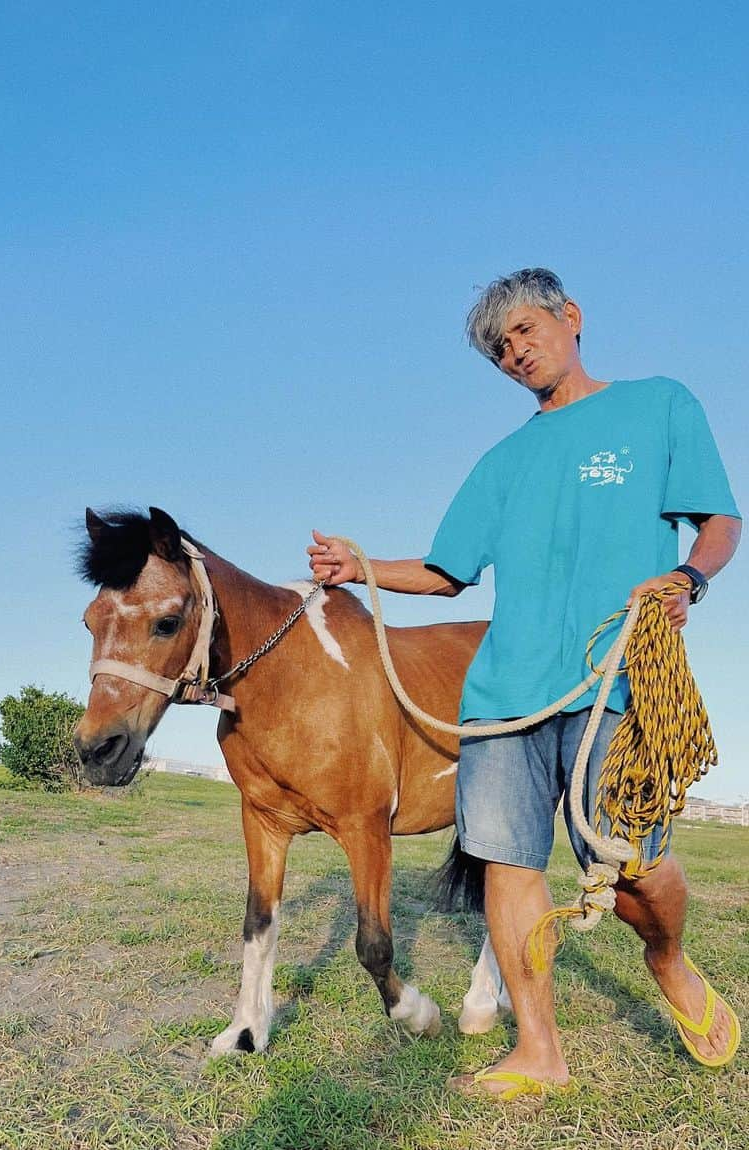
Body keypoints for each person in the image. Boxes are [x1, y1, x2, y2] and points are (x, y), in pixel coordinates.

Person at [308, 268, 741, 1097]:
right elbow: (446, 571)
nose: (515, 354)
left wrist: (688, 578)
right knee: (507, 862)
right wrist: (361, 565)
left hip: (615, 677)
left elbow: (720, 519)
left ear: (570, 318)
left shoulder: (658, 405)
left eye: (525, 333)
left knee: (634, 864)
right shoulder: (504, 460)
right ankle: (539, 1048)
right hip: (505, 693)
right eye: (500, 350)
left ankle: (670, 959)